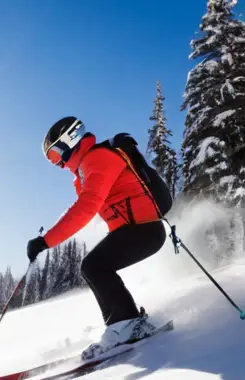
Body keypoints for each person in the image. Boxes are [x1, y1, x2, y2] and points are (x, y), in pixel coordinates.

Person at [26, 116, 167, 360]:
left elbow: (86, 208)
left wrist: (46, 241)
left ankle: (126, 325)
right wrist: (46, 238)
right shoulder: (86, 169)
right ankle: (125, 324)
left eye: (55, 155)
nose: (57, 163)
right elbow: (86, 207)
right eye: (52, 160)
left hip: (144, 230)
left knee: (94, 266)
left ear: (70, 141)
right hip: (136, 230)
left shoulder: (97, 159)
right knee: (94, 266)